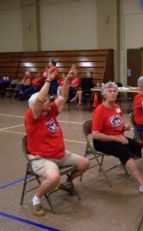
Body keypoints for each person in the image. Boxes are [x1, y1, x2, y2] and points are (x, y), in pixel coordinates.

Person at [24, 64, 89, 216]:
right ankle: (36, 199)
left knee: (85, 163)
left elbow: (63, 97)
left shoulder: (50, 111)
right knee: (54, 177)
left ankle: (67, 184)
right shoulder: (32, 116)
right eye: (46, 100)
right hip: (41, 158)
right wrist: (48, 80)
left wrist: (67, 79)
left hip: (60, 154)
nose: (49, 100)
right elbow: (40, 100)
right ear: (35, 106)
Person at [92, 82, 143, 195]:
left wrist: (124, 128)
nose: (112, 93)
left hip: (117, 137)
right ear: (104, 95)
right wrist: (116, 138)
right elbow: (95, 134)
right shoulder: (100, 110)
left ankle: (125, 162)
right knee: (125, 153)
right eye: (109, 91)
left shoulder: (117, 107)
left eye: (114, 91)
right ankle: (142, 185)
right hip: (102, 141)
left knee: (142, 149)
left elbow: (115, 125)